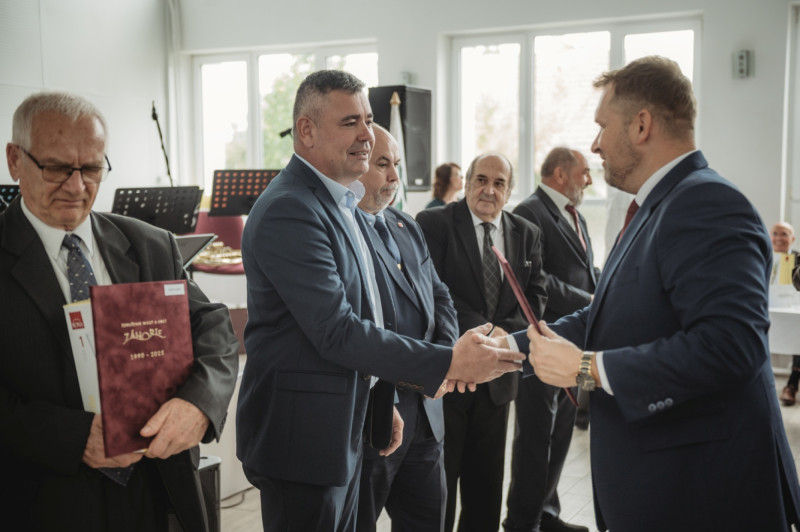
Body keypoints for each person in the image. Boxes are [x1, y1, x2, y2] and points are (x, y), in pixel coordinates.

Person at [501, 56, 800, 531]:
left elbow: (731, 346)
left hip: (704, 494)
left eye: (602, 126)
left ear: (641, 125)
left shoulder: (707, 203)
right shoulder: (653, 207)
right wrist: (507, 347)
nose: (595, 144)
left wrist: (587, 368)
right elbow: (603, 316)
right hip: (665, 486)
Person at [236, 70, 525, 532]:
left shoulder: (340, 202)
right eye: (350, 122)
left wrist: (377, 397)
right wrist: (449, 361)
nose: (367, 135)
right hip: (305, 440)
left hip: (347, 422)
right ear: (306, 131)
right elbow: (337, 330)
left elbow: (372, 311)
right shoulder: (292, 208)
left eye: (368, 120)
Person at [0, 91, 240, 531]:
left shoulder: (150, 244)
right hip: (42, 499)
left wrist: (199, 404)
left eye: (91, 169)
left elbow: (212, 327)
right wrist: (72, 438)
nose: (76, 187)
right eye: (56, 167)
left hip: (158, 490)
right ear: (15, 160)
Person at [416, 153, 547, 532]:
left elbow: (535, 296)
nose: (489, 190)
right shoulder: (435, 223)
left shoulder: (527, 233)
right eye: (481, 180)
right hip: (448, 377)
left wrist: (507, 334)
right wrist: (490, 333)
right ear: (468, 183)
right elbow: (432, 293)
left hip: (497, 381)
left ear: (510, 190)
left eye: (499, 183)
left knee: (485, 490)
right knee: (438, 489)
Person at [356, 124, 459, 532]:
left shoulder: (406, 225)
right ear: (357, 163)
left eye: (396, 164)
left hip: (428, 413)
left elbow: (440, 296)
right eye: (383, 164)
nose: (394, 176)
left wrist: (446, 359)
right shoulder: (344, 231)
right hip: (379, 413)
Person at [503, 147, 598, 532]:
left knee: (560, 432)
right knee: (536, 435)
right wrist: (590, 301)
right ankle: (522, 521)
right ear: (560, 174)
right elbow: (538, 280)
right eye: (584, 172)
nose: (588, 180)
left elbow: (585, 270)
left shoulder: (575, 214)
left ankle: (548, 513)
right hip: (544, 339)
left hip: (573, 344)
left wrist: (605, 288)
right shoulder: (530, 212)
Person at [770, 222, 800, 405]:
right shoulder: (762, 255)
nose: (779, 238)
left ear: (792, 238)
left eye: (784, 234)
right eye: (775, 233)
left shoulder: (797, 258)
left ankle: (791, 384)